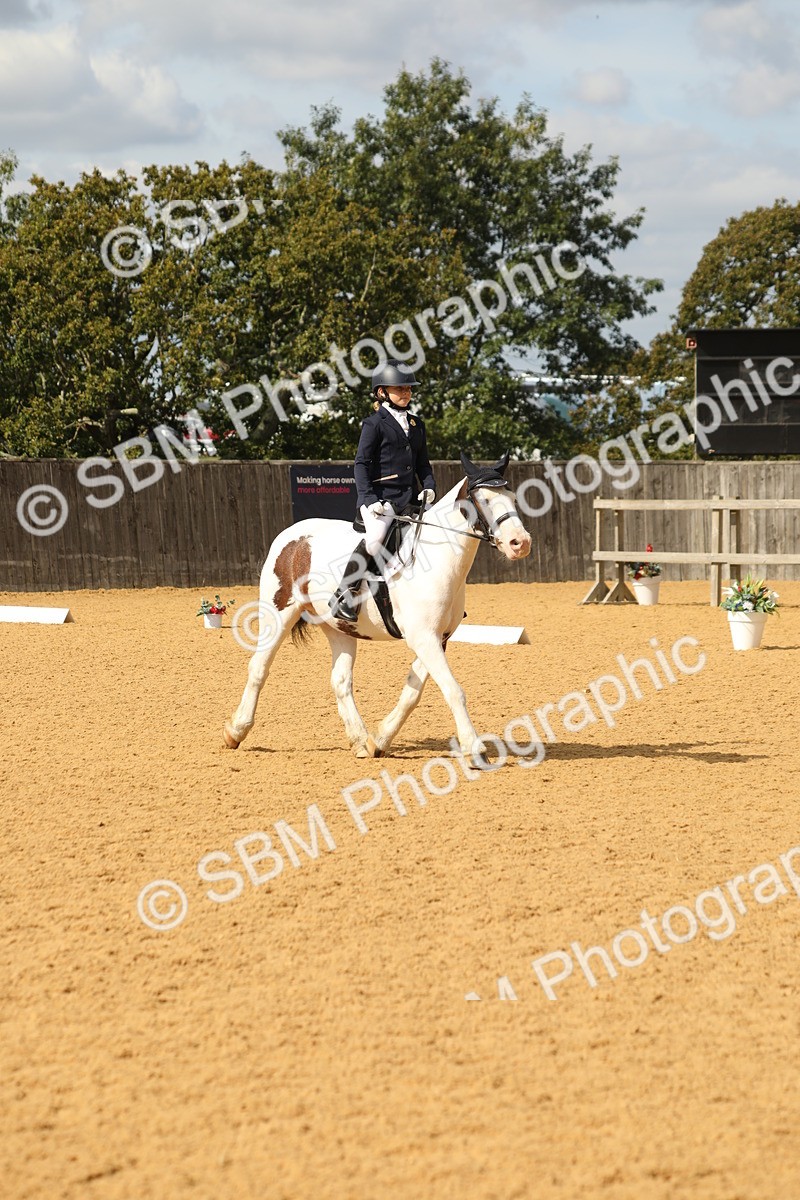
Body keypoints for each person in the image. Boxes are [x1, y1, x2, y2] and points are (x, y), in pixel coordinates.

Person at [329, 360, 436, 621]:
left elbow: (423, 464)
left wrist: (430, 487)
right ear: (382, 392)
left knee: (433, 537)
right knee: (376, 540)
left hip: (410, 499)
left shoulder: (416, 424)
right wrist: (368, 498)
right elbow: (361, 464)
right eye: (399, 389)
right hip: (380, 500)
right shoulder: (374, 424)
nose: (406, 393)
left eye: (409, 389)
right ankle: (344, 593)